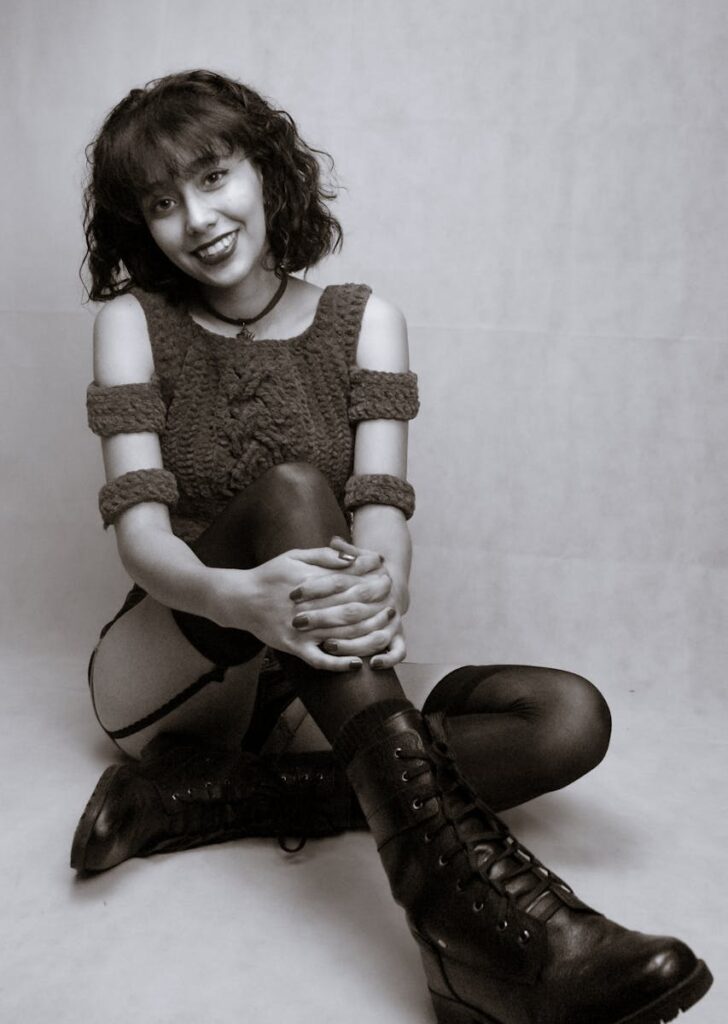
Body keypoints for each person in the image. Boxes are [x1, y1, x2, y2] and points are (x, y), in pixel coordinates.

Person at [73, 69, 712, 1023]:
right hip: (171, 664)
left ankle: (203, 802)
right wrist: (240, 600)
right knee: (293, 491)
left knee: (566, 717)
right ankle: (466, 922)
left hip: (307, 683)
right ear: (142, 225)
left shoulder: (366, 321)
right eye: (162, 203)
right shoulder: (134, 325)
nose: (196, 218)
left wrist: (377, 593)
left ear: (267, 170)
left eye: (213, 177)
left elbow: (383, 520)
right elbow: (142, 540)